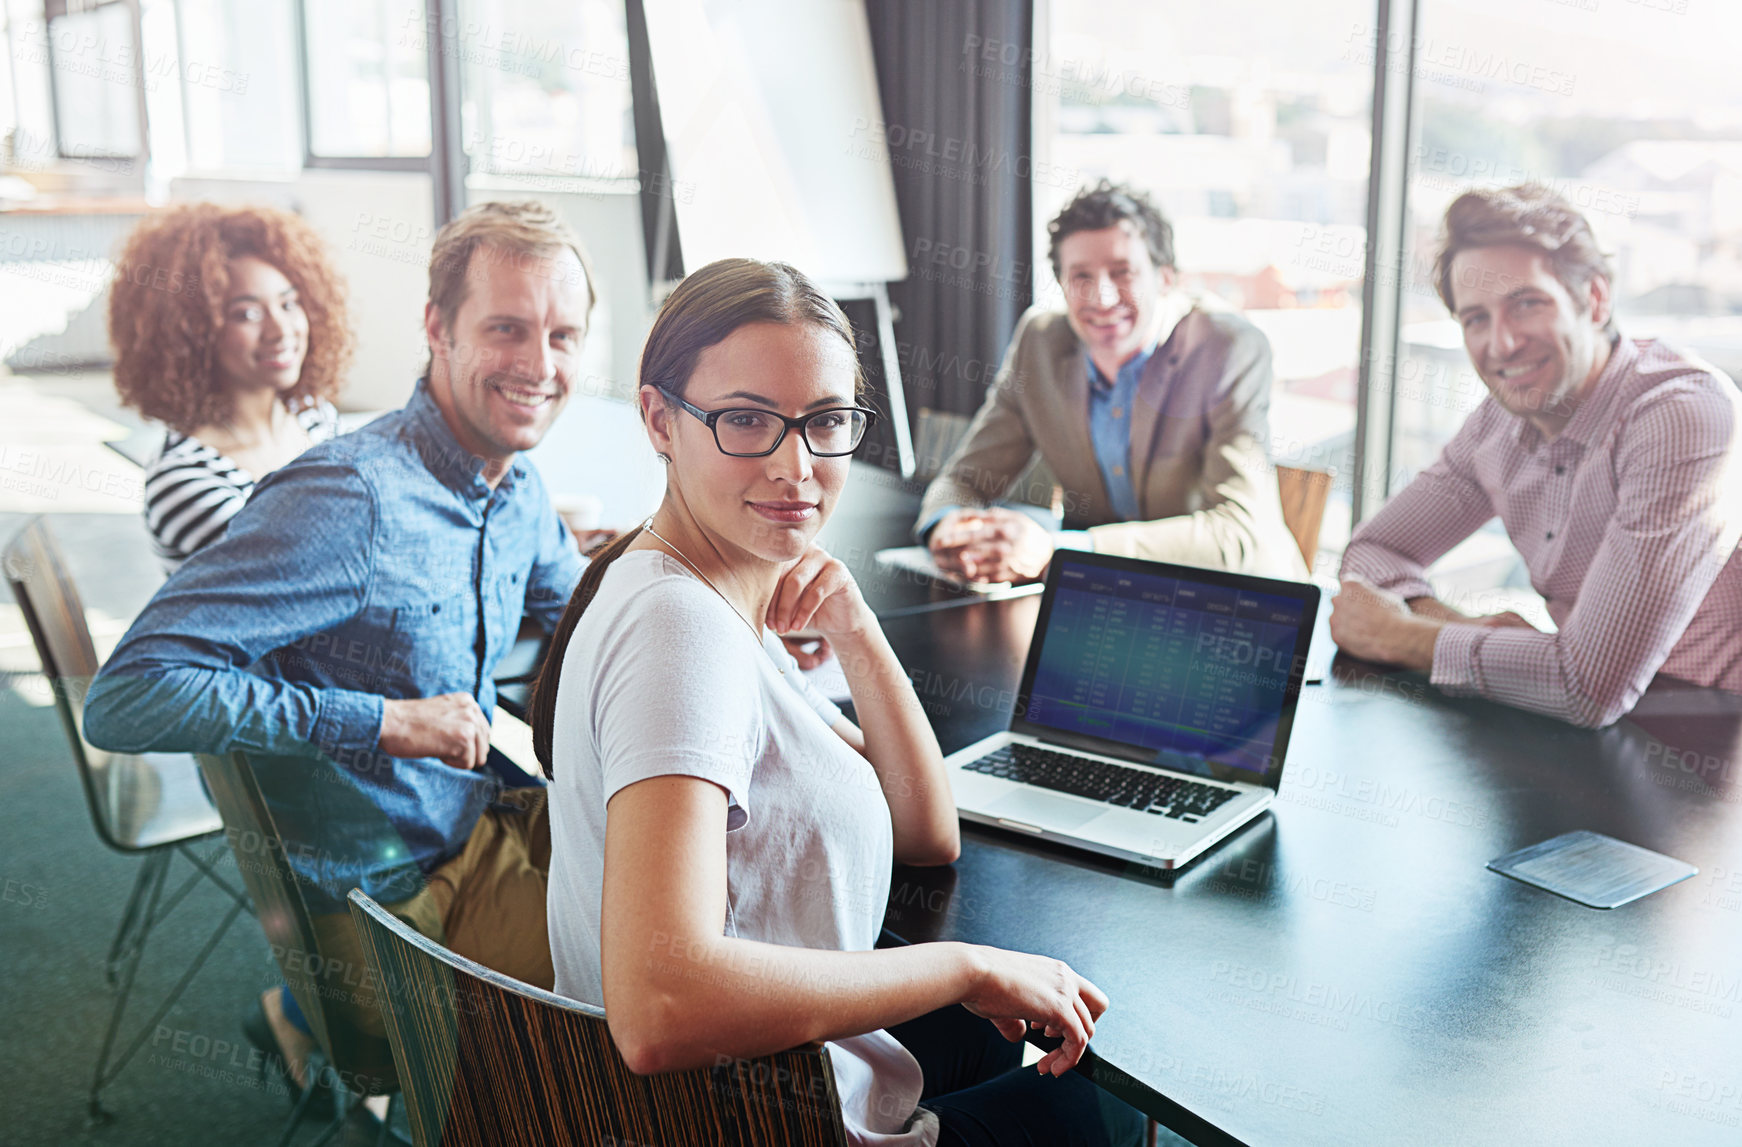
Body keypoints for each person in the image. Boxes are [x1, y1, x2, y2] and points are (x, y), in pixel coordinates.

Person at [532, 258, 1145, 1147]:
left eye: (826, 423)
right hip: (759, 1120)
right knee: (1112, 1097)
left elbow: (926, 831)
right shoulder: (682, 631)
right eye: (746, 419)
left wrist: (855, 627)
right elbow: (660, 1008)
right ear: (660, 418)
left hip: (727, 1099)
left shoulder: (710, 591)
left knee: (991, 1028)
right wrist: (963, 962)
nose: (797, 466)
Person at [83, 200, 593, 1104]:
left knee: (722, 887)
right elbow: (127, 696)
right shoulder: (348, 498)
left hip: (474, 812)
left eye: (563, 334)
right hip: (398, 892)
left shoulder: (514, 484)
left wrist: (709, 586)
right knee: (651, 1002)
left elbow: (582, 607)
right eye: (507, 328)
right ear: (436, 327)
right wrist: (383, 720)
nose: (540, 365)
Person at [1331, 183, 1742, 727]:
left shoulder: (1679, 415)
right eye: (1476, 318)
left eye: (1525, 304)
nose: (1501, 344)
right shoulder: (1501, 422)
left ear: (1594, 299)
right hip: (1583, 737)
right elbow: (1374, 551)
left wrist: (1403, 636)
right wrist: (1458, 628)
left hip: (1711, 753)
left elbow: (1587, 686)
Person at [916, 180, 1305, 584]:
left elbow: (1239, 533)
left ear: (1166, 278)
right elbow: (964, 480)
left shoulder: (1227, 348)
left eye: (1123, 273)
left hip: (1233, 602)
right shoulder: (1041, 342)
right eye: (1080, 275)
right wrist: (947, 529)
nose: (1101, 297)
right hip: (1097, 601)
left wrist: (1060, 552)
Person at [108, 203, 355, 572]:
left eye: (289, 303)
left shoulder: (312, 415)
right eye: (247, 314)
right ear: (192, 332)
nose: (281, 330)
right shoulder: (185, 480)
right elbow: (309, 577)